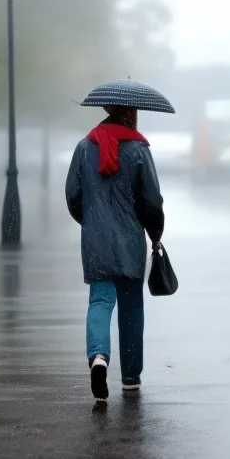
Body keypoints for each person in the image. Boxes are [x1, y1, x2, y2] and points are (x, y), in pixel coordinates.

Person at [65, 105, 165, 401]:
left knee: (100, 300)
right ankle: (131, 378)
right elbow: (152, 199)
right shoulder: (138, 148)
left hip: (96, 241)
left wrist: (90, 222)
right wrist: (155, 233)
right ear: (129, 115)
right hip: (131, 242)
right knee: (131, 307)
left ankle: (98, 358)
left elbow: (73, 194)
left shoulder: (84, 147)